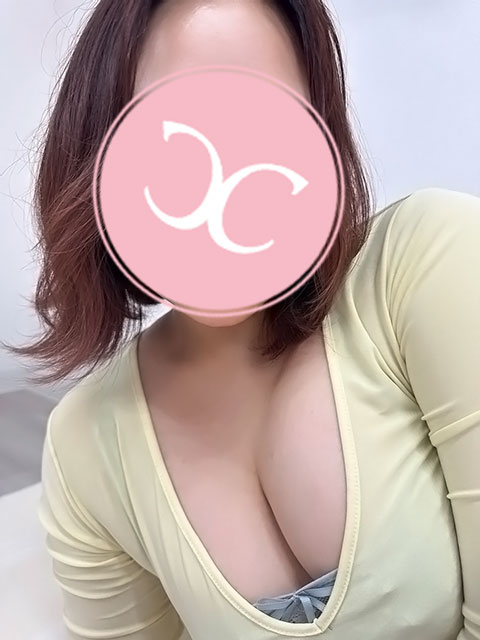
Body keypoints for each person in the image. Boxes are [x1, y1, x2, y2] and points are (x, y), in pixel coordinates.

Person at [3, 0, 479, 638]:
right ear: (101, 152)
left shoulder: (428, 262)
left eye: (263, 117)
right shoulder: (87, 442)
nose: (226, 178)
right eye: (180, 129)